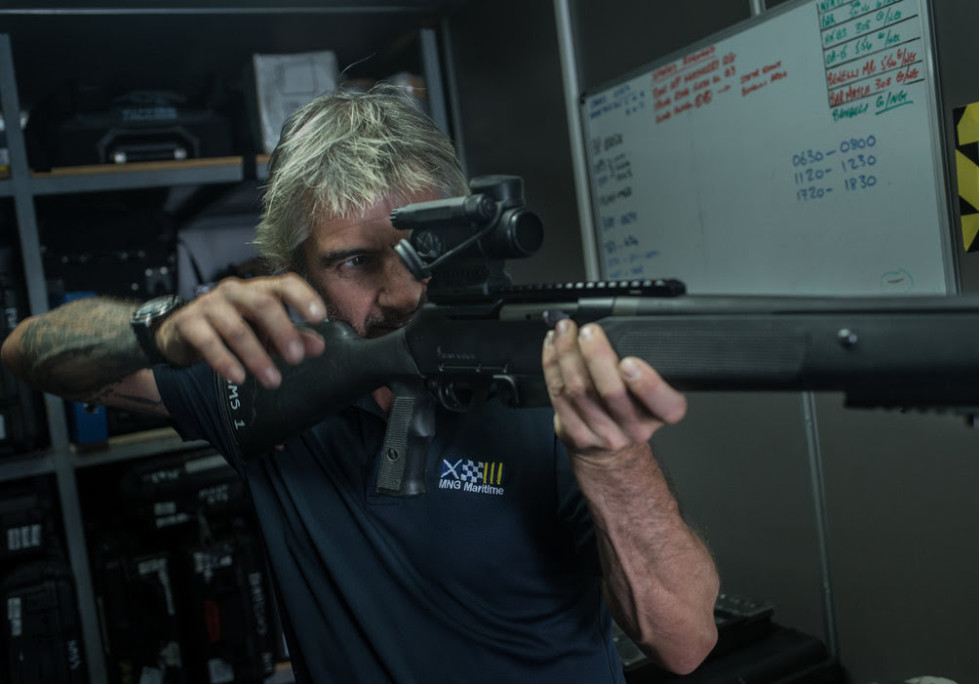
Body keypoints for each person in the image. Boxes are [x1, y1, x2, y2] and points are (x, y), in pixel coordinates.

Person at [2, 84, 719, 683]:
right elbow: (30, 354)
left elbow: (683, 639)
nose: (402, 294)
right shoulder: (266, 378)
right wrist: (159, 329)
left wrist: (615, 458)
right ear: (294, 275)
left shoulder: (543, 385)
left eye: (423, 254)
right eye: (353, 262)